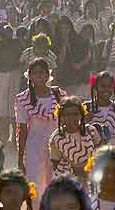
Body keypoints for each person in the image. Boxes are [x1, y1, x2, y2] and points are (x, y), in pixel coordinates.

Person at [16, 58, 66, 206]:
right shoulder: (23, 99)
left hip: (57, 146)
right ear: (29, 76)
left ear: (47, 75)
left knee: (55, 184)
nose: (38, 76)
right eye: (35, 73)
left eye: (42, 72)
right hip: (33, 146)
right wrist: (20, 156)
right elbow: (22, 129)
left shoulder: (59, 95)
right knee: (35, 185)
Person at [49, 96, 101, 185]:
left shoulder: (90, 131)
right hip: (68, 182)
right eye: (67, 114)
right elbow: (55, 163)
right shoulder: (57, 137)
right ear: (61, 117)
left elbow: (100, 152)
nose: (71, 117)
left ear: (81, 115)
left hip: (91, 178)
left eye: (75, 114)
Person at [0, 26, 23, 144]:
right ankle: (3, 136)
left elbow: (22, 61)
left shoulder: (16, 43)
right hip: (2, 77)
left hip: (15, 76)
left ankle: (16, 136)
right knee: (2, 108)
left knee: (15, 106)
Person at [53, 17, 91, 98]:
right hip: (62, 79)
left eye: (66, 28)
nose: (64, 31)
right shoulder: (55, 43)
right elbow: (60, 61)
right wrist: (64, 44)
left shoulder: (78, 40)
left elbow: (88, 55)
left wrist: (79, 65)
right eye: (61, 28)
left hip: (77, 79)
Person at [86, 71, 115, 145]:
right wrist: (84, 121)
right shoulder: (85, 108)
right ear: (96, 87)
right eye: (102, 86)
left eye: (109, 86)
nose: (106, 89)